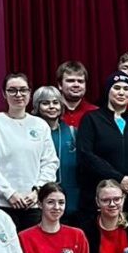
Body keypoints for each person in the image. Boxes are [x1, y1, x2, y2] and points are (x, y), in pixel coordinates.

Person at [78, 72, 128, 226]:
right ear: (108, 91)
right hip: (102, 199)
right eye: (116, 88)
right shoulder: (92, 119)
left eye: (126, 88)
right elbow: (86, 155)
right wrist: (119, 179)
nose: (121, 92)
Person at [0, 73, 59, 231]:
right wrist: (9, 193)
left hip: (33, 204)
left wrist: (38, 191)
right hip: (2, 204)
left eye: (23, 90)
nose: (18, 95)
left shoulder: (40, 125)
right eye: (12, 90)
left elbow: (50, 162)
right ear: (4, 93)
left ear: (30, 93)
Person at [33, 86, 82, 222]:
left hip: (72, 198)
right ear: (37, 106)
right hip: (40, 200)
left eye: (55, 102)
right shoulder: (31, 133)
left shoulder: (73, 132)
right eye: (45, 103)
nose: (51, 107)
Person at [56, 60, 97, 128]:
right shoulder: (49, 112)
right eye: (71, 81)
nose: (76, 85)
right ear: (60, 85)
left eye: (80, 81)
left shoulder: (96, 113)